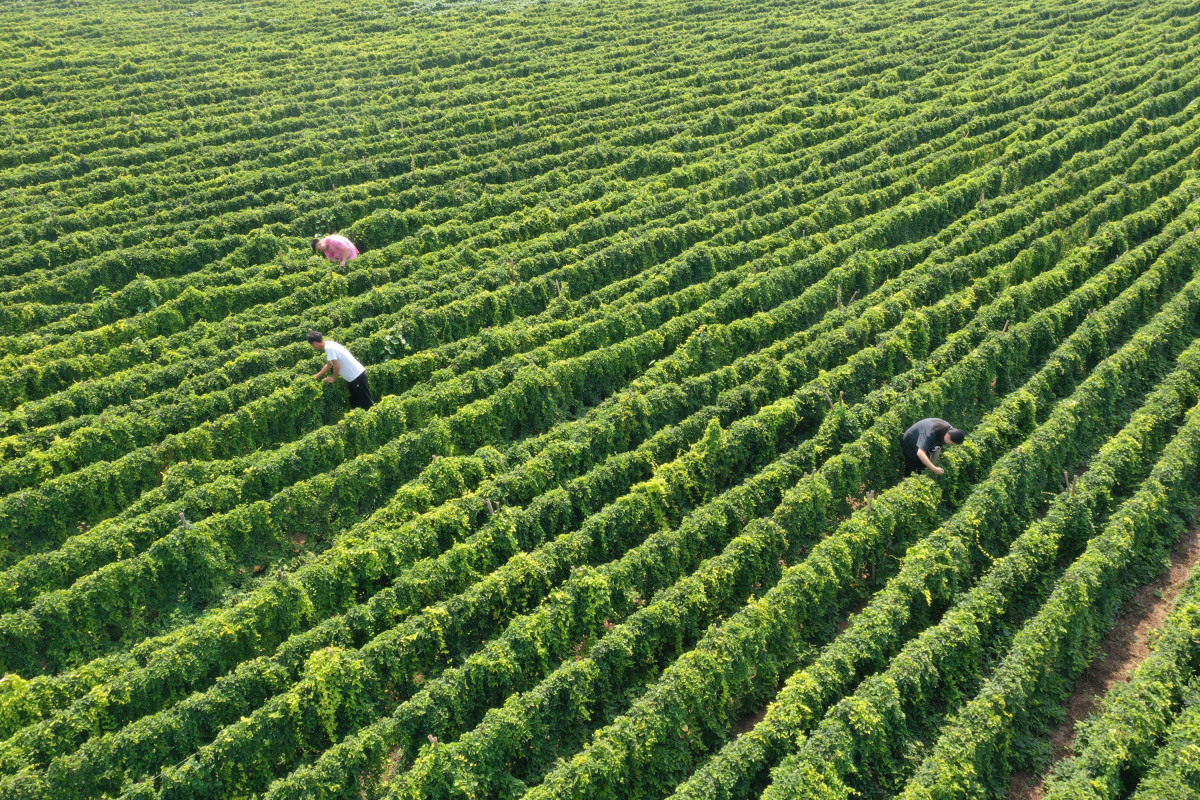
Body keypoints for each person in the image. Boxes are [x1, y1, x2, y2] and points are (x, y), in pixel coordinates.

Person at [307, 330, 374, 410]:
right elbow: (329, 365)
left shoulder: (329, 348)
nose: (313, 347)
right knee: (355, 403)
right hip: (353, 378)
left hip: (357, 376)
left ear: (314, 343)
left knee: (367, 404)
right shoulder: (330, 344)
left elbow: (336, 366)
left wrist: (333, 379)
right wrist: (315, 377)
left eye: (312, 345)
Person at [901, 417, 965, 476]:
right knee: (912, 464)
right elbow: (920, 453)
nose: (950, 445)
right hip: (911, 440)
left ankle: (921, 474)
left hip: (924, 439)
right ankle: (907, 478)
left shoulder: (949, 431)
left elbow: (939, 445)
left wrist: (934, 462)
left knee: (924, 466)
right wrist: (934, 469)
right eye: (951, 443)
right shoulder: (929, 434)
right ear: (948, 436)